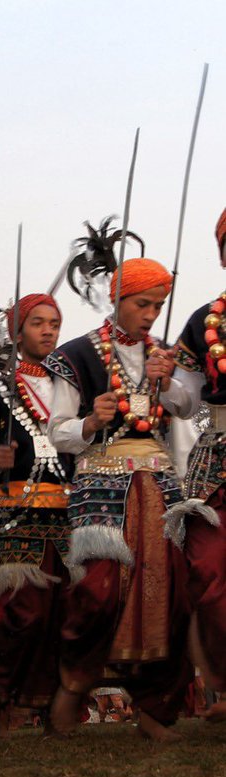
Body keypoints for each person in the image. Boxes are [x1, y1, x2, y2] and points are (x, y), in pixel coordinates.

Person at [45, 259, 193, 741]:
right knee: (98, 591)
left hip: (160, 483)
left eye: (158, 305)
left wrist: (167, 380)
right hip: (102, 482)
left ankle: (155, 709)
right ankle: (72, 687)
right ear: (116, 299)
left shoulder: (163, 356)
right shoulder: (77, 355)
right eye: (141, 303)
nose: (150, 314)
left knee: (168, 590)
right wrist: (90, 420)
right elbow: (59, 431)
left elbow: (189, 407)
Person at [0, 294, 72, 735]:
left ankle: (52, 707)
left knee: (63, 613)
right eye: (37, 323)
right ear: (17, 331)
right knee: (23, 613)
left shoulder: (71, 385)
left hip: (68, 515)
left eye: (54, 323)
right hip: (17, 512)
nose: (48, 331)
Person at [168, 208, 226, 721]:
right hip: (218, 459)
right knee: (207, 573)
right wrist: (165, 381)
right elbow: (186, 403)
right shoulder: (203, 320)